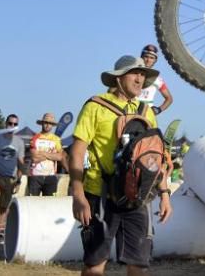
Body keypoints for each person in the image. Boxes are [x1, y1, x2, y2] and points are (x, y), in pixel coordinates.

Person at [70, 55, 172, 276]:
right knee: (95, 265)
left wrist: (164, 194)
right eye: (135, 73)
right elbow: (77, 152)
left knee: (139, 265)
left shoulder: (146, 113)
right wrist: (78, 195)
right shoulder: (95, 106)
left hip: (137, 198)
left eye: (143, 75)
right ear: (117, 78)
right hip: (100, 194)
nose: (140, 79)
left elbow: (154, 157)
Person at [27, 112, 66, 196]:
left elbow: (60, 157)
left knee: (49, 205)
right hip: (35, 176)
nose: (47, 125)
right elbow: (34, 158)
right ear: (42, 123)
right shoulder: (35, 138)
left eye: (50, 123)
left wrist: (42, 153)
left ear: (52, 125)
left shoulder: (56, 139)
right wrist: (52, 155)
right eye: (46, 122)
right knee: (33, 204)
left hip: (50, 177)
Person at [136, 45, 173, 116]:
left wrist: (158, 110)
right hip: (130, 109)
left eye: (152, 58)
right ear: (141, 57)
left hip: (146, 113)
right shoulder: (132, 73)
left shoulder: (157, 79)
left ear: (155, 60)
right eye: (146, 56)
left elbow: (169, 99)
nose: (148, 60)